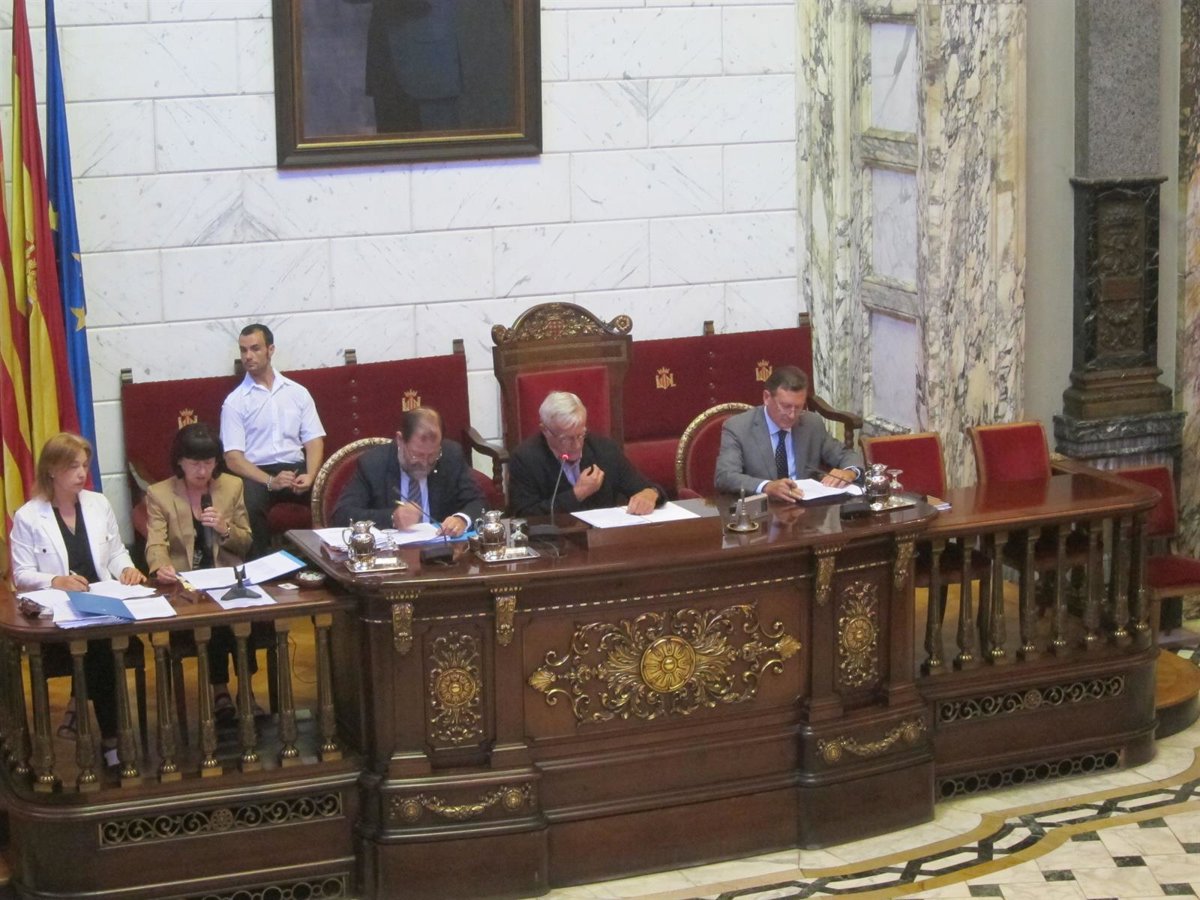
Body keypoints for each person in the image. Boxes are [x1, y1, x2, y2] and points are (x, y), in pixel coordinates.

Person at [9, 432, 146, 769]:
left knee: (100, 643)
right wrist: (56, 581)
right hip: (59, 615)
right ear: (51, 470)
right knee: (100, 650)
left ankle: (81, 711)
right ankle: (111, 739)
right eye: (73, 467)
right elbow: (22, 574)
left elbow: (116, 552)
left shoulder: (98, 504)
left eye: (85, 465)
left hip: (102, 603)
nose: (82, 473)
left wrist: (128, 569)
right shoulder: (29, 516)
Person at [144, 422, 263, 723]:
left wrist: (225, 528)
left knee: (242, 618)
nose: (202, 471)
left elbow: (246, 542)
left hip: (227, 578)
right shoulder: (159, 494)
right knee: (211, 621)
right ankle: (219, 690)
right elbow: (155, 543)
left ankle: (246, 689)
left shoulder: (232, 486)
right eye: (195, 463)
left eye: (209, 463)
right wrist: (160, 567)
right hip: (186, 587)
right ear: (180, 462)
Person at [220, 323, 325, 558]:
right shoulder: (235, 402)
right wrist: (270, 481)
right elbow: (233, 458)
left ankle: (325, 564)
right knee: (249, 505)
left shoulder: (297, 392)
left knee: (329, 494)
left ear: (271, 350)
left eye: (255, 348)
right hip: (256, 473)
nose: (248, 356)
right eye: (243, 350)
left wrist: (311, 475)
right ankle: (260, 568)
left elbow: (314, 440)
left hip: (296, 468)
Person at [715, 365, 863, 501]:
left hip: (807, 509)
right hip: (764, 510)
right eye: (786, 406)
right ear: (766, 397)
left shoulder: (812, 424)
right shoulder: (738, 427)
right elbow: (725, 476)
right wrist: (766, 486)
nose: (792, 415)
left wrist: (850, 472)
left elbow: (846, 455)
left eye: (798, 407)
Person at [508, 391, 664, 517]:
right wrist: (577, 494)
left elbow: (648, 488)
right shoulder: (525, 459)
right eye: (566, 439)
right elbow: (524, 515)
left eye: (581, 435)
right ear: (545, 430)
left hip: (601, 539)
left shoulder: (604, 450)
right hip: (552, 542)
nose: (577, 445)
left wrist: (651, 494)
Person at [331, 406, 484, 535]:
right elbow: (342, 515)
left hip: (440, 553)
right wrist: (391, 518)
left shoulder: (451, 455)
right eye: (417, 455)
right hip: (390, 555)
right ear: (400, 440)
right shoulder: (373, 463)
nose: (424, 463)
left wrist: (462, 519)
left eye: (432, 456)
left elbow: (479, 502)